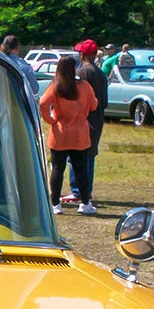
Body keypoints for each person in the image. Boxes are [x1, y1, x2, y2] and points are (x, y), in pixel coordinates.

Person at [37, 55, 97, 216]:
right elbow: (93, 105)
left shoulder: (56, 86)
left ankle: (55, 204)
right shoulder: (84, 86)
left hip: (60, 131)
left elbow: (43, 103)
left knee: (57, 168)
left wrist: (51, 120)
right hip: (80, 133)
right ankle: (85, 203)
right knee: (81, 170)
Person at [65, 39, 108, 213]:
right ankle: (86, 190)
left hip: (84, 119)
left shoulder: (81, 72)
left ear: (82, 54)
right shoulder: (100, 73)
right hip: (98, 119)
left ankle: (77, 191)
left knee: (75, 155)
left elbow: (75, 99)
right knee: (90, 155)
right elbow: (104, 102)